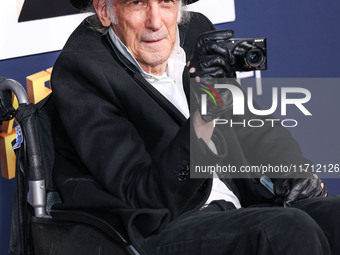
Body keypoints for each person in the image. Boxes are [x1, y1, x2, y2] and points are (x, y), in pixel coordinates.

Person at [51, 0, 340, 254]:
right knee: (286, 231)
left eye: (165, 1)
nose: (155, 21)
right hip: (166, 226)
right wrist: (205, 116)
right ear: (104, 9)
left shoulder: (197, 33)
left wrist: (292, 169)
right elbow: (143, 195)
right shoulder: (83, 70)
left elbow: (249, 123)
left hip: (242, 202)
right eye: (137, 3)